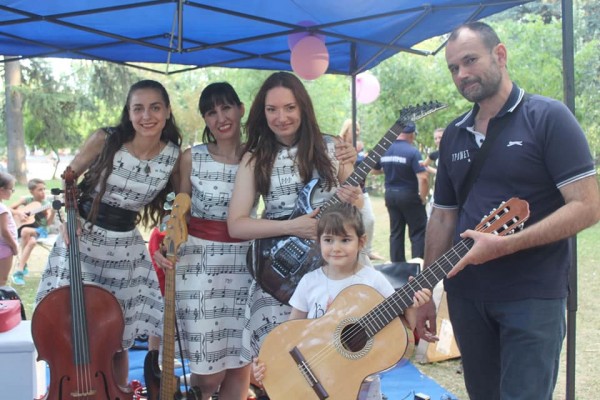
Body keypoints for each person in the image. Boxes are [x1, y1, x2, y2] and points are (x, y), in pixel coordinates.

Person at [416, 21, 600, 400]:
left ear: (499, 55)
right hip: (466, 296)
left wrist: (506, 245)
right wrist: (424, 290)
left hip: (531, 297)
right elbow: (443, 216)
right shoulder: (453, 133)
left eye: (470, 60)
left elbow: (588, 206)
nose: (462, 74)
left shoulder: (549, 117)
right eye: (453, 67)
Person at [35, 79, 182, 388]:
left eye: (155, 107)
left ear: (167, 111)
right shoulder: (106, 139)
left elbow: (175, 205)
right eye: (138, 108)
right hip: (83, 241)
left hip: (125, 249)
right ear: (128, 113)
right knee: (73, 331)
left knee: (115, 338)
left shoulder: (173, 155)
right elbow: (70, 175)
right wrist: (69, 217)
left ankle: (114, 392)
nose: (147, 116)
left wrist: (166, 241)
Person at [227, 71, 362, 367]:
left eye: (289, 108)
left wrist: (350, 165)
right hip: (280, 271)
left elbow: (357, 205)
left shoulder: (331, 147)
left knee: (336, 358)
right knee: (281, 363)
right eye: (271, 109)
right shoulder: (255, 157)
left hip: (331, 266)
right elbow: (236, 225)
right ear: (262, 113)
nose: (281, 117)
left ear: (303, 107)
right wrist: (292, 226)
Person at [251, 203, 431, 399]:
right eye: (328, 240)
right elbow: (287, 334)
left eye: (345, 240)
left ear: (361, 242)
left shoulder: (373, 280)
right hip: (311, 373)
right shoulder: (310, 282)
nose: (336, 248)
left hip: (359, 386)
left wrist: (412, 307)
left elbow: (400, 332)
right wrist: (268, 364)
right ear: (318, 241)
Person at [154, 82, 253, 399]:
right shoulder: (191, 158)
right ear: (205, 120)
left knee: (240, 367)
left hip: (246, 266)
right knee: (208, 375)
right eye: (211, 112)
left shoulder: (259, 156)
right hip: (199, 267)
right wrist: (163, 246)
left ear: (241, 109)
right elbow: (176, 212)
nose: (221, 117)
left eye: (226, 108)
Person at [372, 121, 428, 262]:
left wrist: (390, 169)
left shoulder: (384, 149)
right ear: (411, 134)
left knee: (396, 232)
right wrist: (423, 196)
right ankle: (418, 265)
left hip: (390, 194)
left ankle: (397, 268)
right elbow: (423, 177)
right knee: (417, 232)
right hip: (409, 194)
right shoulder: (412, 151)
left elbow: (373, 169)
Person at [339, 119, 384, 262]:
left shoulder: (358, 147)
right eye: (355, 129)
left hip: (361, 190)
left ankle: (367, 251)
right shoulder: (337, 144)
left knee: (369, 220)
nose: (358, 132)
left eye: (358, 130)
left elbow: (374, 170)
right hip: (343, 192)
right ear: (346, 130)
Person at [10, 178, 56, 285]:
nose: (43, 192)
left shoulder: (47, 204)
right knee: (31, 242)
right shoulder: (27, 200)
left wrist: (53, 212)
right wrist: (19, 213)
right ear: (31, 191)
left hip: (42, 230)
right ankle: (21, 268)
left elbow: (48, 223)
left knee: (25, 231)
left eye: (44, 189)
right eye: (40, 190)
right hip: (29, 230)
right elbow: (8, 209)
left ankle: (20, 268)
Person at [0, 172, 19, 287]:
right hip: (4, 248)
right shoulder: (2, 208)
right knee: (2, 280)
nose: (12, 192)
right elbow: (4, 232)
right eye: (11, 189)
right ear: (2, 190)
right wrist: (14, 246)